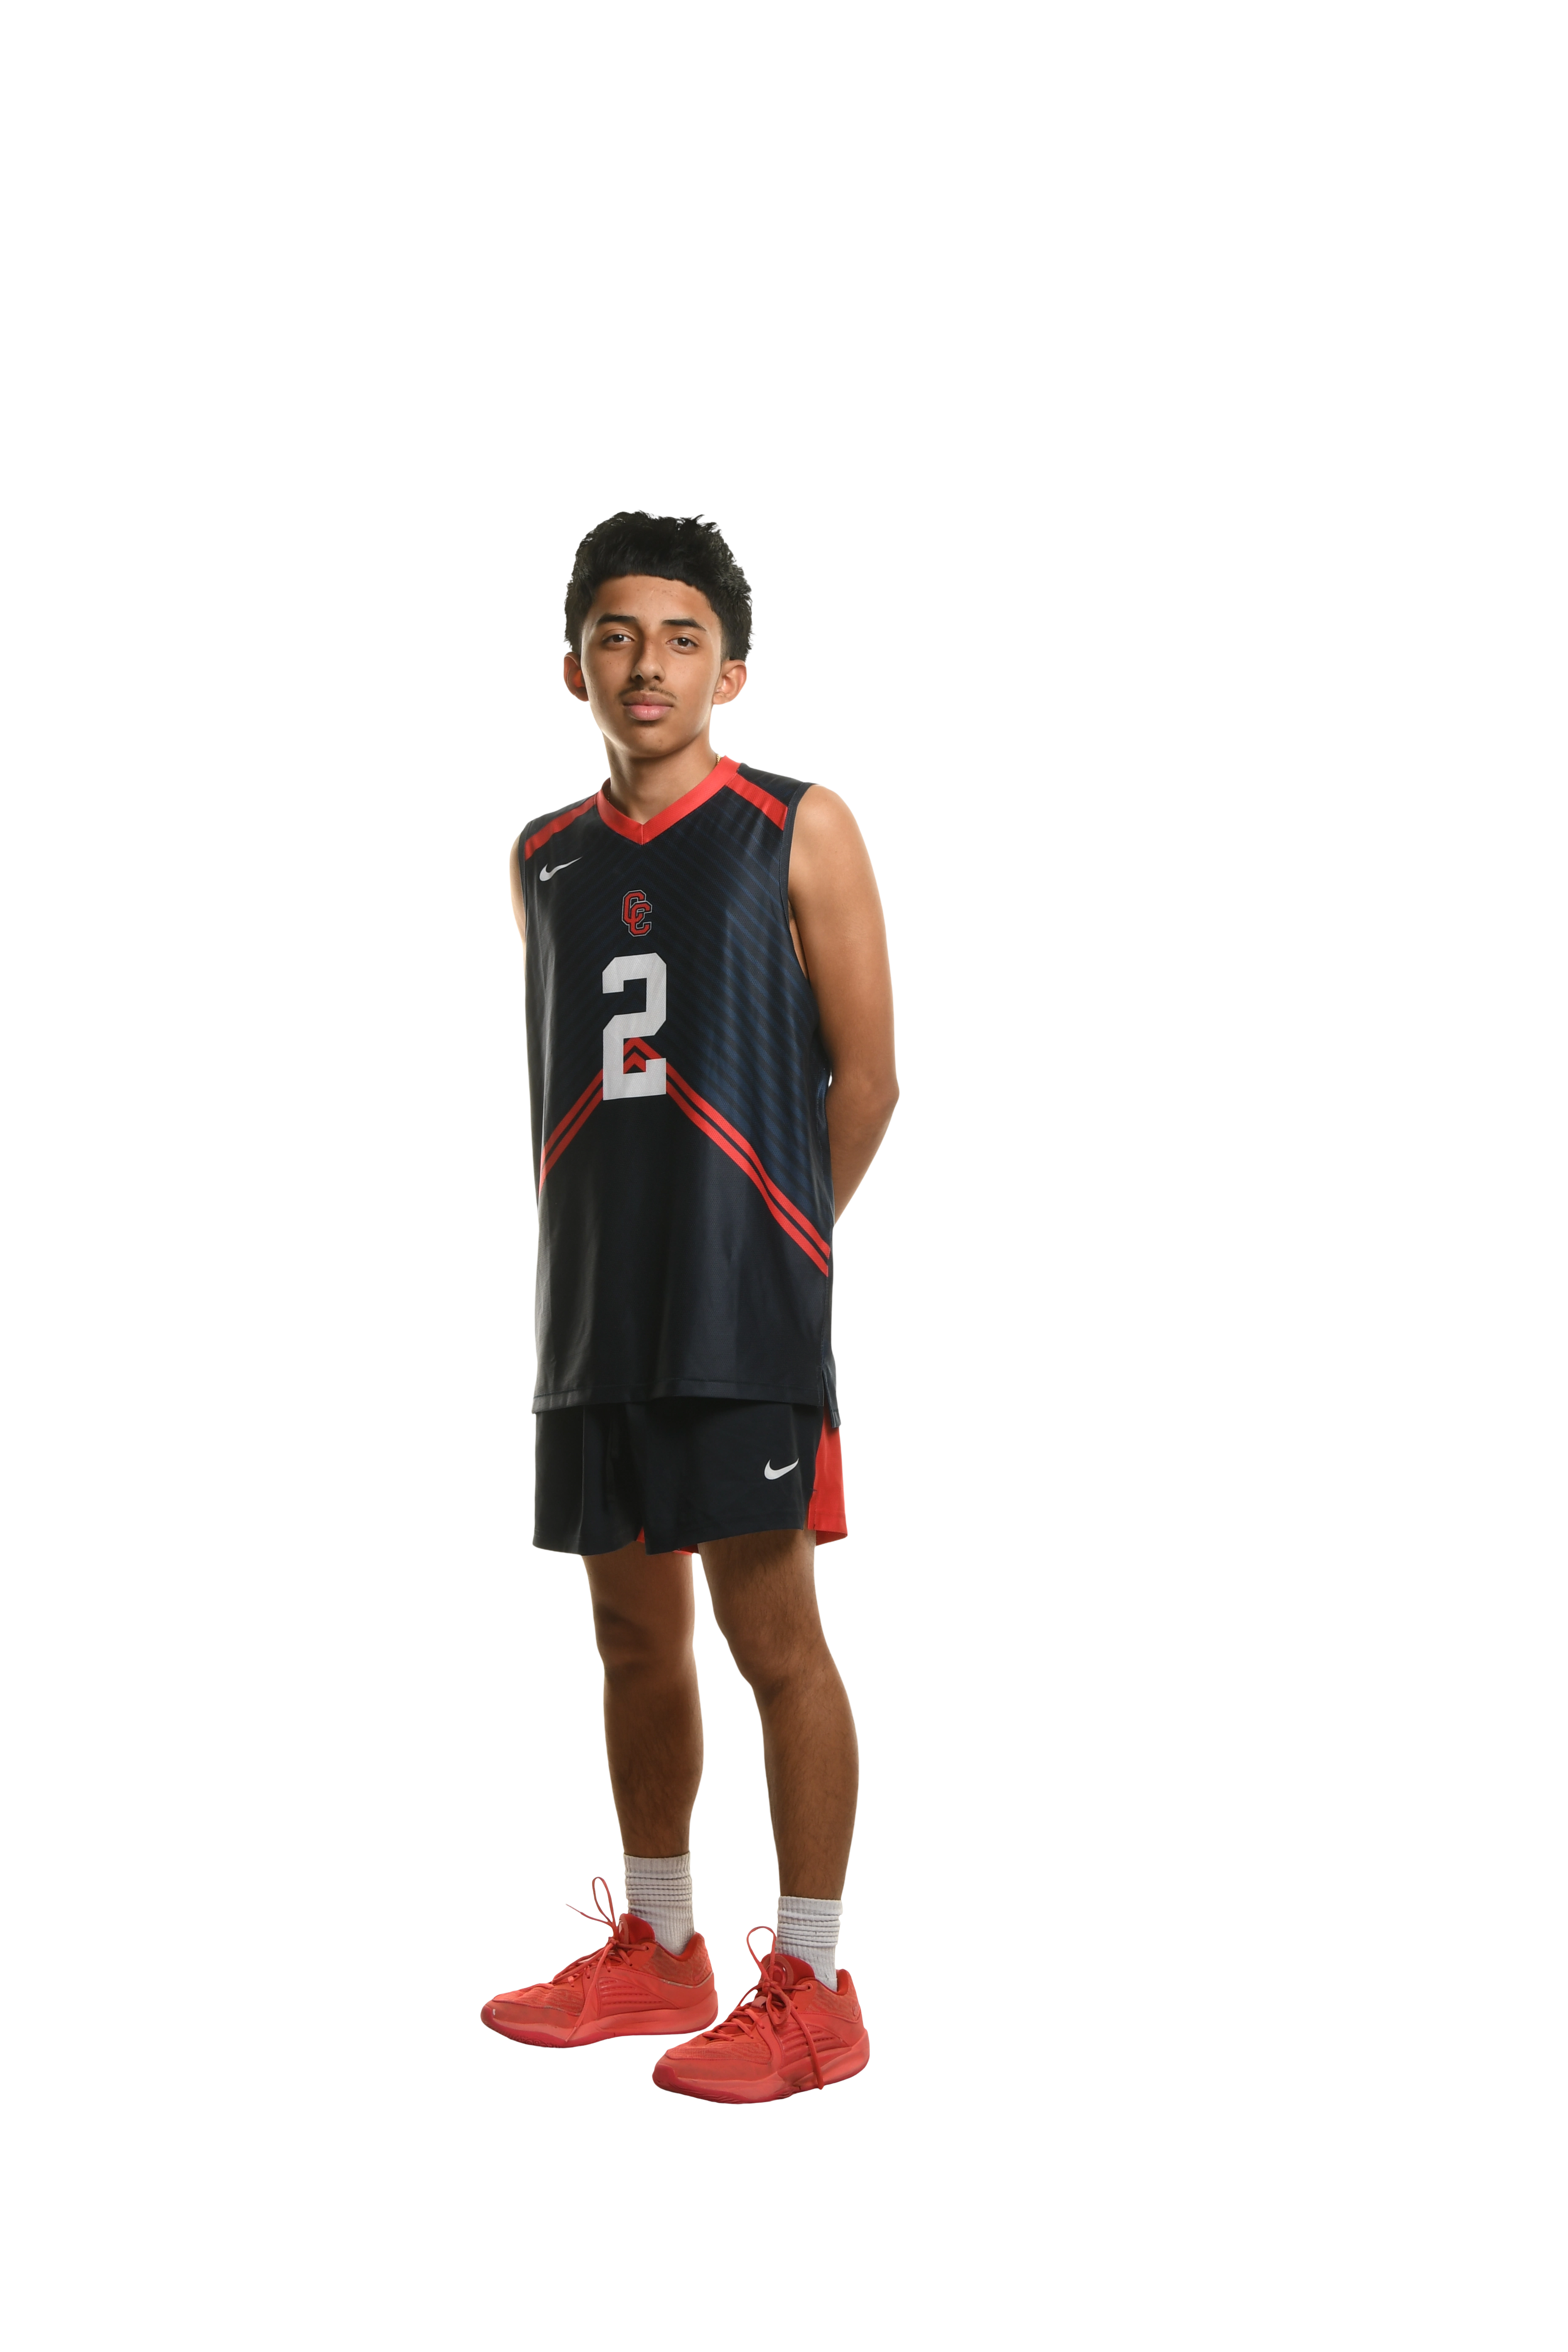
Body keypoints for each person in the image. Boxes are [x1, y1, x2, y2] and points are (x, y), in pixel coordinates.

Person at [480, 510, 898, 2102]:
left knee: (772, 1635)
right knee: (628, 1634)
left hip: (744, 1314)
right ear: (573, 667)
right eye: (615, 636)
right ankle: (659, 1947)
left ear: (731, 670)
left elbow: (870, 1079)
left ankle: (813, 1982)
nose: (644, 664)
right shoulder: (542, 856)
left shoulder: (798, 825)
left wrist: (773, 1253)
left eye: (679, 637)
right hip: (594, 1309)